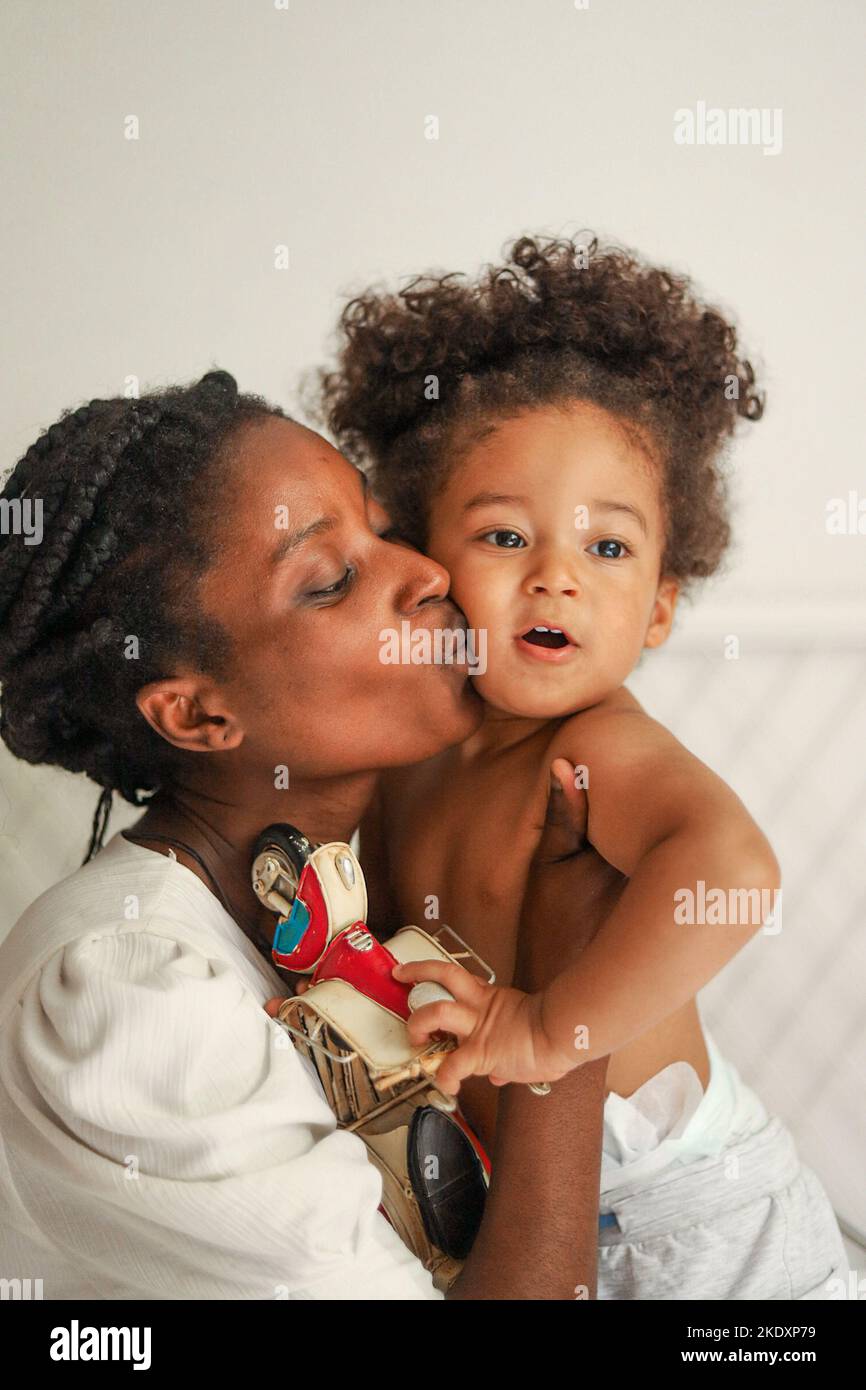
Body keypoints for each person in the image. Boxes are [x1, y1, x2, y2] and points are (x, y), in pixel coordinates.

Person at [318, 233, 851, 1300]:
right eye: (505, 537)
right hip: (527, 1219)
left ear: (659, 603)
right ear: (425, 559)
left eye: (606, 548)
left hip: (691, 1218)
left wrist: (539, 1024)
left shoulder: (592, 746)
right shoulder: (401, 761)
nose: (556, 578)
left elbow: (732, 872)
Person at [0, 370, 609, 1300]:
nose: (428, 574)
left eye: (382, 525)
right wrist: (574, 1012)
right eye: (330, 582)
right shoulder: (129, 995)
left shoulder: (365, 885)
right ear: (198, 715)